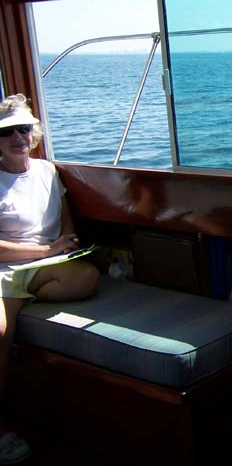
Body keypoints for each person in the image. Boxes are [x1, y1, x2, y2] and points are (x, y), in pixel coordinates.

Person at [0, 94, 99, 464]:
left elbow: (65, 216)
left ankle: (22, 298)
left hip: (43, 265)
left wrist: (67, 242)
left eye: (23, 129)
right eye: (7, 131)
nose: (18, 137)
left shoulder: (47, 172)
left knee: (87, 277)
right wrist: (44, 250)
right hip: (5, 269)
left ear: (33, 132)